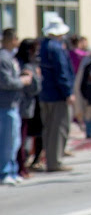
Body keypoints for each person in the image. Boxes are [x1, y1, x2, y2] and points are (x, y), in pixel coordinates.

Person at [38, 12, 74, 173]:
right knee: (59, 128)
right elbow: (62, 72)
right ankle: (55, 161)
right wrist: (68, 92)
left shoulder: (43, 46)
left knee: (48, 128)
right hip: (57, 94)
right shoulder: (56, 48)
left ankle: (50, 159)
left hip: (45, 94)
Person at [0, 28, 34, 185]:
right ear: (9, 39)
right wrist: (23, 81)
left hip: (14, 104)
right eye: (15, 39)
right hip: (6, 105)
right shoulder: (3, 58)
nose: (17, 42)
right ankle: (5, 172)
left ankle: (12, 171)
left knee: (15, 141)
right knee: (7, 141)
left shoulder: (10, 58)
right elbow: (6, 82)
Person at [15, 38, 41, 179]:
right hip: (23, 106)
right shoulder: (27, 65)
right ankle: (20, 167)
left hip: (20, 105)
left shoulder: (16, 61)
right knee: (21, 138)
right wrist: (37, 76)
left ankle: (20, 166)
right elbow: (34, 88)